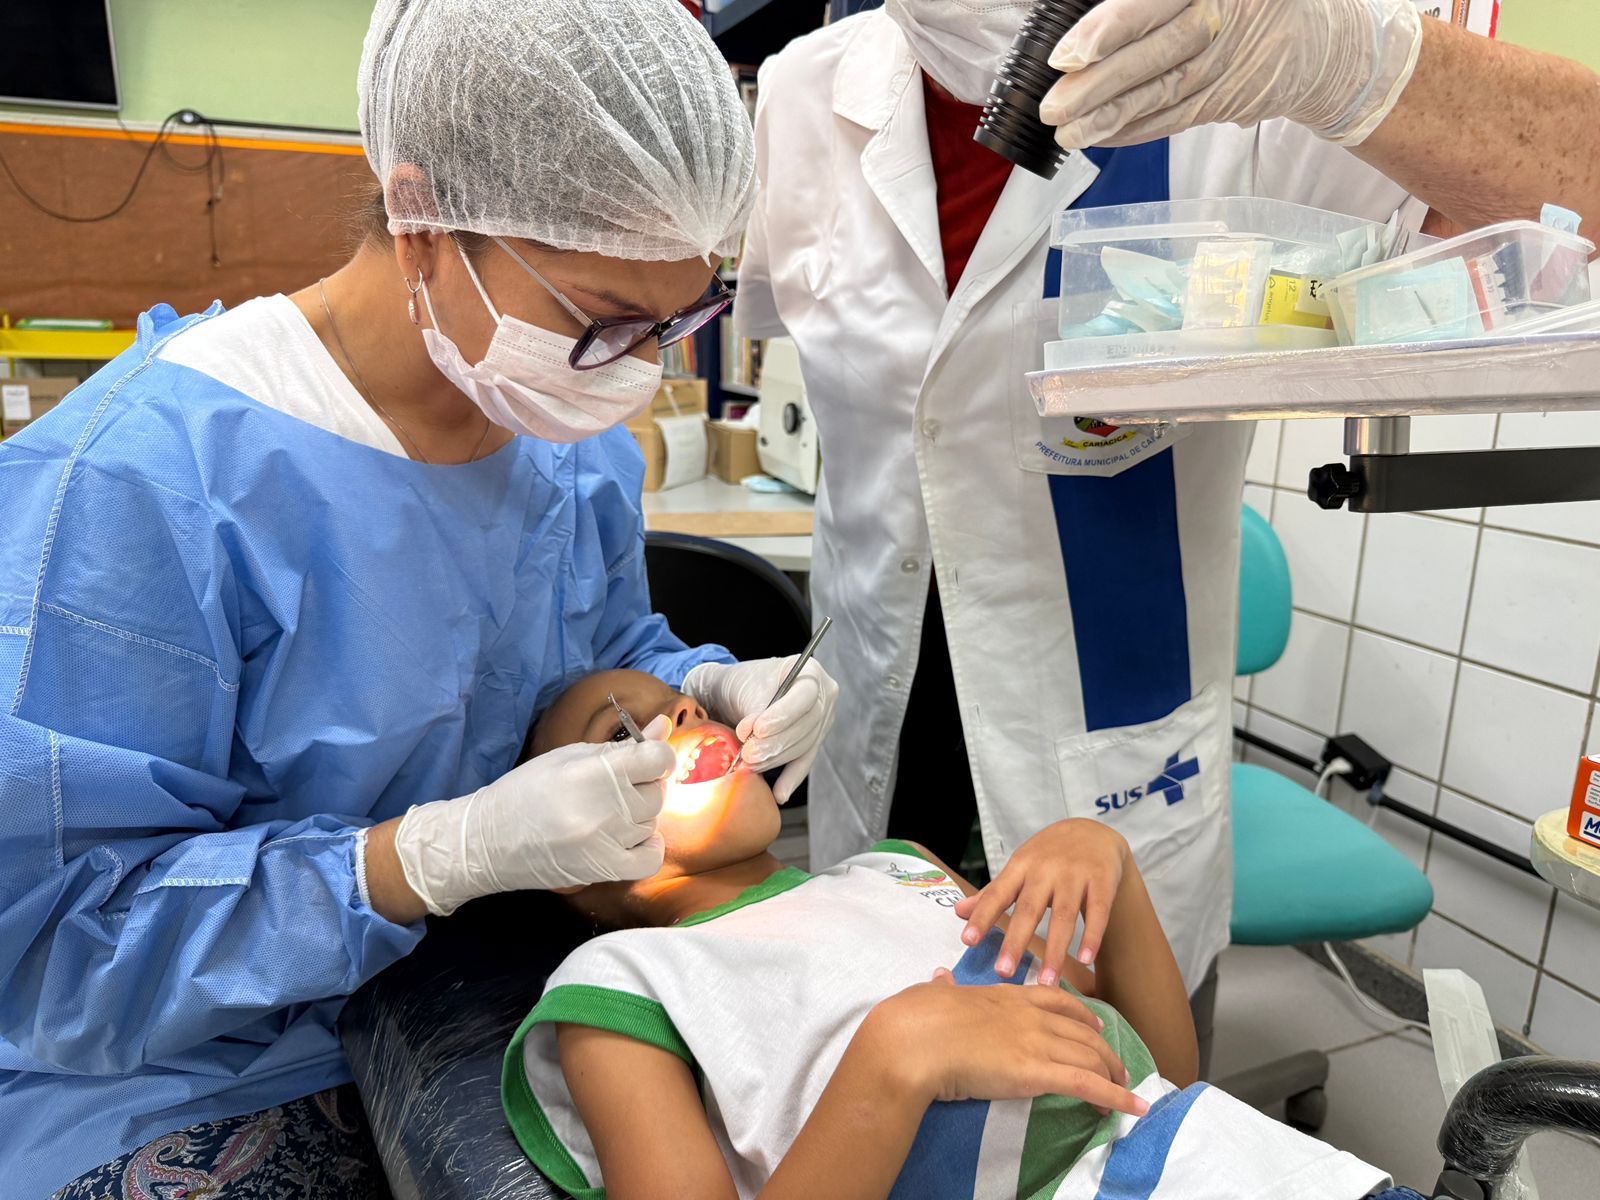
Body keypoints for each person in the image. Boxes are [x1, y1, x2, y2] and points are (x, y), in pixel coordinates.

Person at [0, 2, 838, 1196]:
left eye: (675, 320)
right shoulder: (138, 483)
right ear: (420, 219)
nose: (638, 373)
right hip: (196, 1067)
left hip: (496, 978)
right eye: (603, 322)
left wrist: (695, 678)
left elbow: (580, 658)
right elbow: (59, 950)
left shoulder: (558, 425)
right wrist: (425, 860)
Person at [732, 0, 1599, 1004]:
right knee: (878, 1050)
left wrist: (1348, 61)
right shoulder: (805, 91)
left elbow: (1562, 201)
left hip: (1108, 733)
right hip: (877, 703)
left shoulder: (1235, 63)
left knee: (1120, 1087)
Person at [500, 667, 1422, 1200]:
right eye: (625, 732)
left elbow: (1153, 1083)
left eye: (687, 704)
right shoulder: (623, 978)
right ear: (570, 868)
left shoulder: (896, 870)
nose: (684, 720)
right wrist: (891, 1064)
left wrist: (1111, 869)